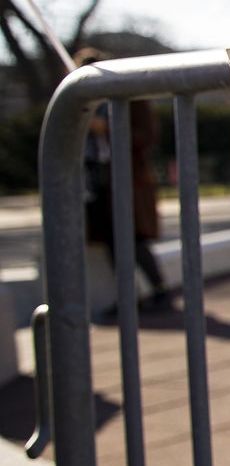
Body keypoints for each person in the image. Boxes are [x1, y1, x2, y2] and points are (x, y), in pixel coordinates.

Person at [77, 48, 170, 315]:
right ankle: (130, 297)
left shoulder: (129, 96)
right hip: (98, 183)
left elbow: (147, 136)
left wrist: (107, 128)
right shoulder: (83, 101)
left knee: (134, 238)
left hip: (128, 180)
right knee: (111, 241)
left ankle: (160, 289)